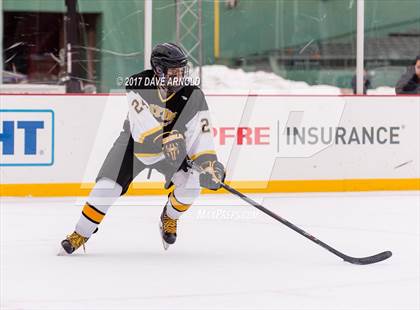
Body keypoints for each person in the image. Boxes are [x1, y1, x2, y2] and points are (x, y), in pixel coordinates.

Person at [60, 43, 225, 254]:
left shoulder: (194, 96)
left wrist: (209, 165)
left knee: (192, 186)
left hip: (173, 150)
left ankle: (169, 217)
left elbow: (200, 136)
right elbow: (141, 127)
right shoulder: (138, 84)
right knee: (105, 189)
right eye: (173, 72)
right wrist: (166, 138)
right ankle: (81, 233)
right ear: (158, 70)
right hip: (133, 145)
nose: (178, 76)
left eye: (181, 71)